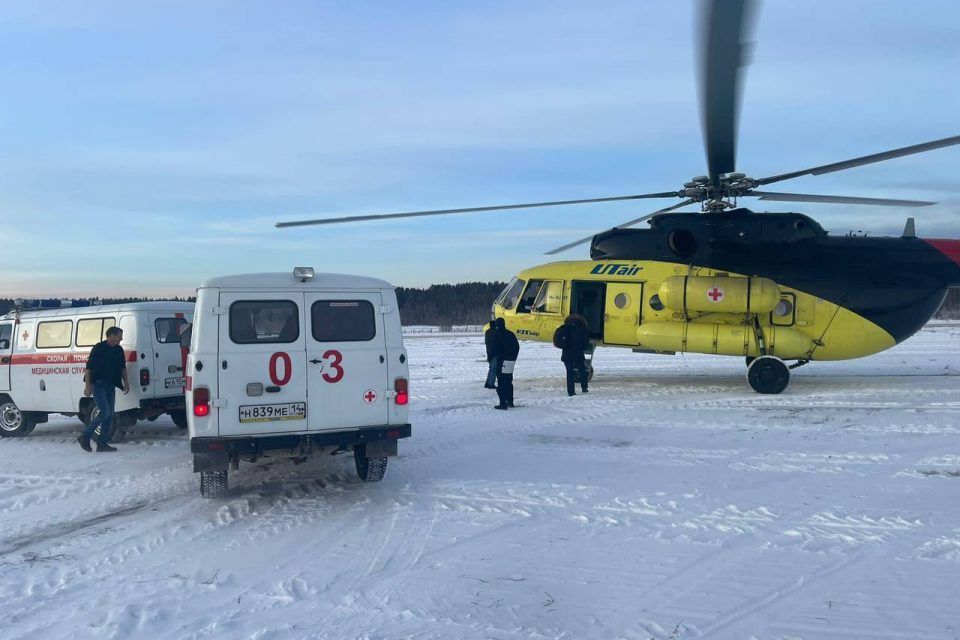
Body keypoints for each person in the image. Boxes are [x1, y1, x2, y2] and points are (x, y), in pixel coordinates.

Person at [77, 326, 129, 453]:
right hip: (98, 385)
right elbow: (88, 367)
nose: (121, 339)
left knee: (110, 415)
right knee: (105, 412)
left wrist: (126, 382)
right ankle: (85, 436)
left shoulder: (119, 350)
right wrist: (87, 386)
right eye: (119, 336)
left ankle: (102, 444)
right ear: (111, 335)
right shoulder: (99, 348)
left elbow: (122, 367)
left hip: (111, 386)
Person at [557, 314, 590, 396]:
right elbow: (586, 342)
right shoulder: (583, 328)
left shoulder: (564, 328)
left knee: (570, 373)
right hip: (578, 353)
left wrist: (563, 346)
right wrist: (582, 348)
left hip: (567, 353)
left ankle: (571, 392)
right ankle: (584, 387)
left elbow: (557, 339)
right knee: (582, 369)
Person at [493, 318, 519, 410]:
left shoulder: (496, 335)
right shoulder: (510, 334)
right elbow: (517, 347)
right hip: (510, 362)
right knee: (508, 381)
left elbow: (494, 349)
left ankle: (502, 403)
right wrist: (513, 358)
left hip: (501, 362)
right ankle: (510, 401)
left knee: (501, 382)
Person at [484, 320, 499, 390]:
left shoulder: (488, 332)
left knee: (491, 369)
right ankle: (490, 383)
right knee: (494, 369)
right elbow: (496, 342)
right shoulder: (495, 332)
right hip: (494, 352)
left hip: (489, 352)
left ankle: (488, 382)